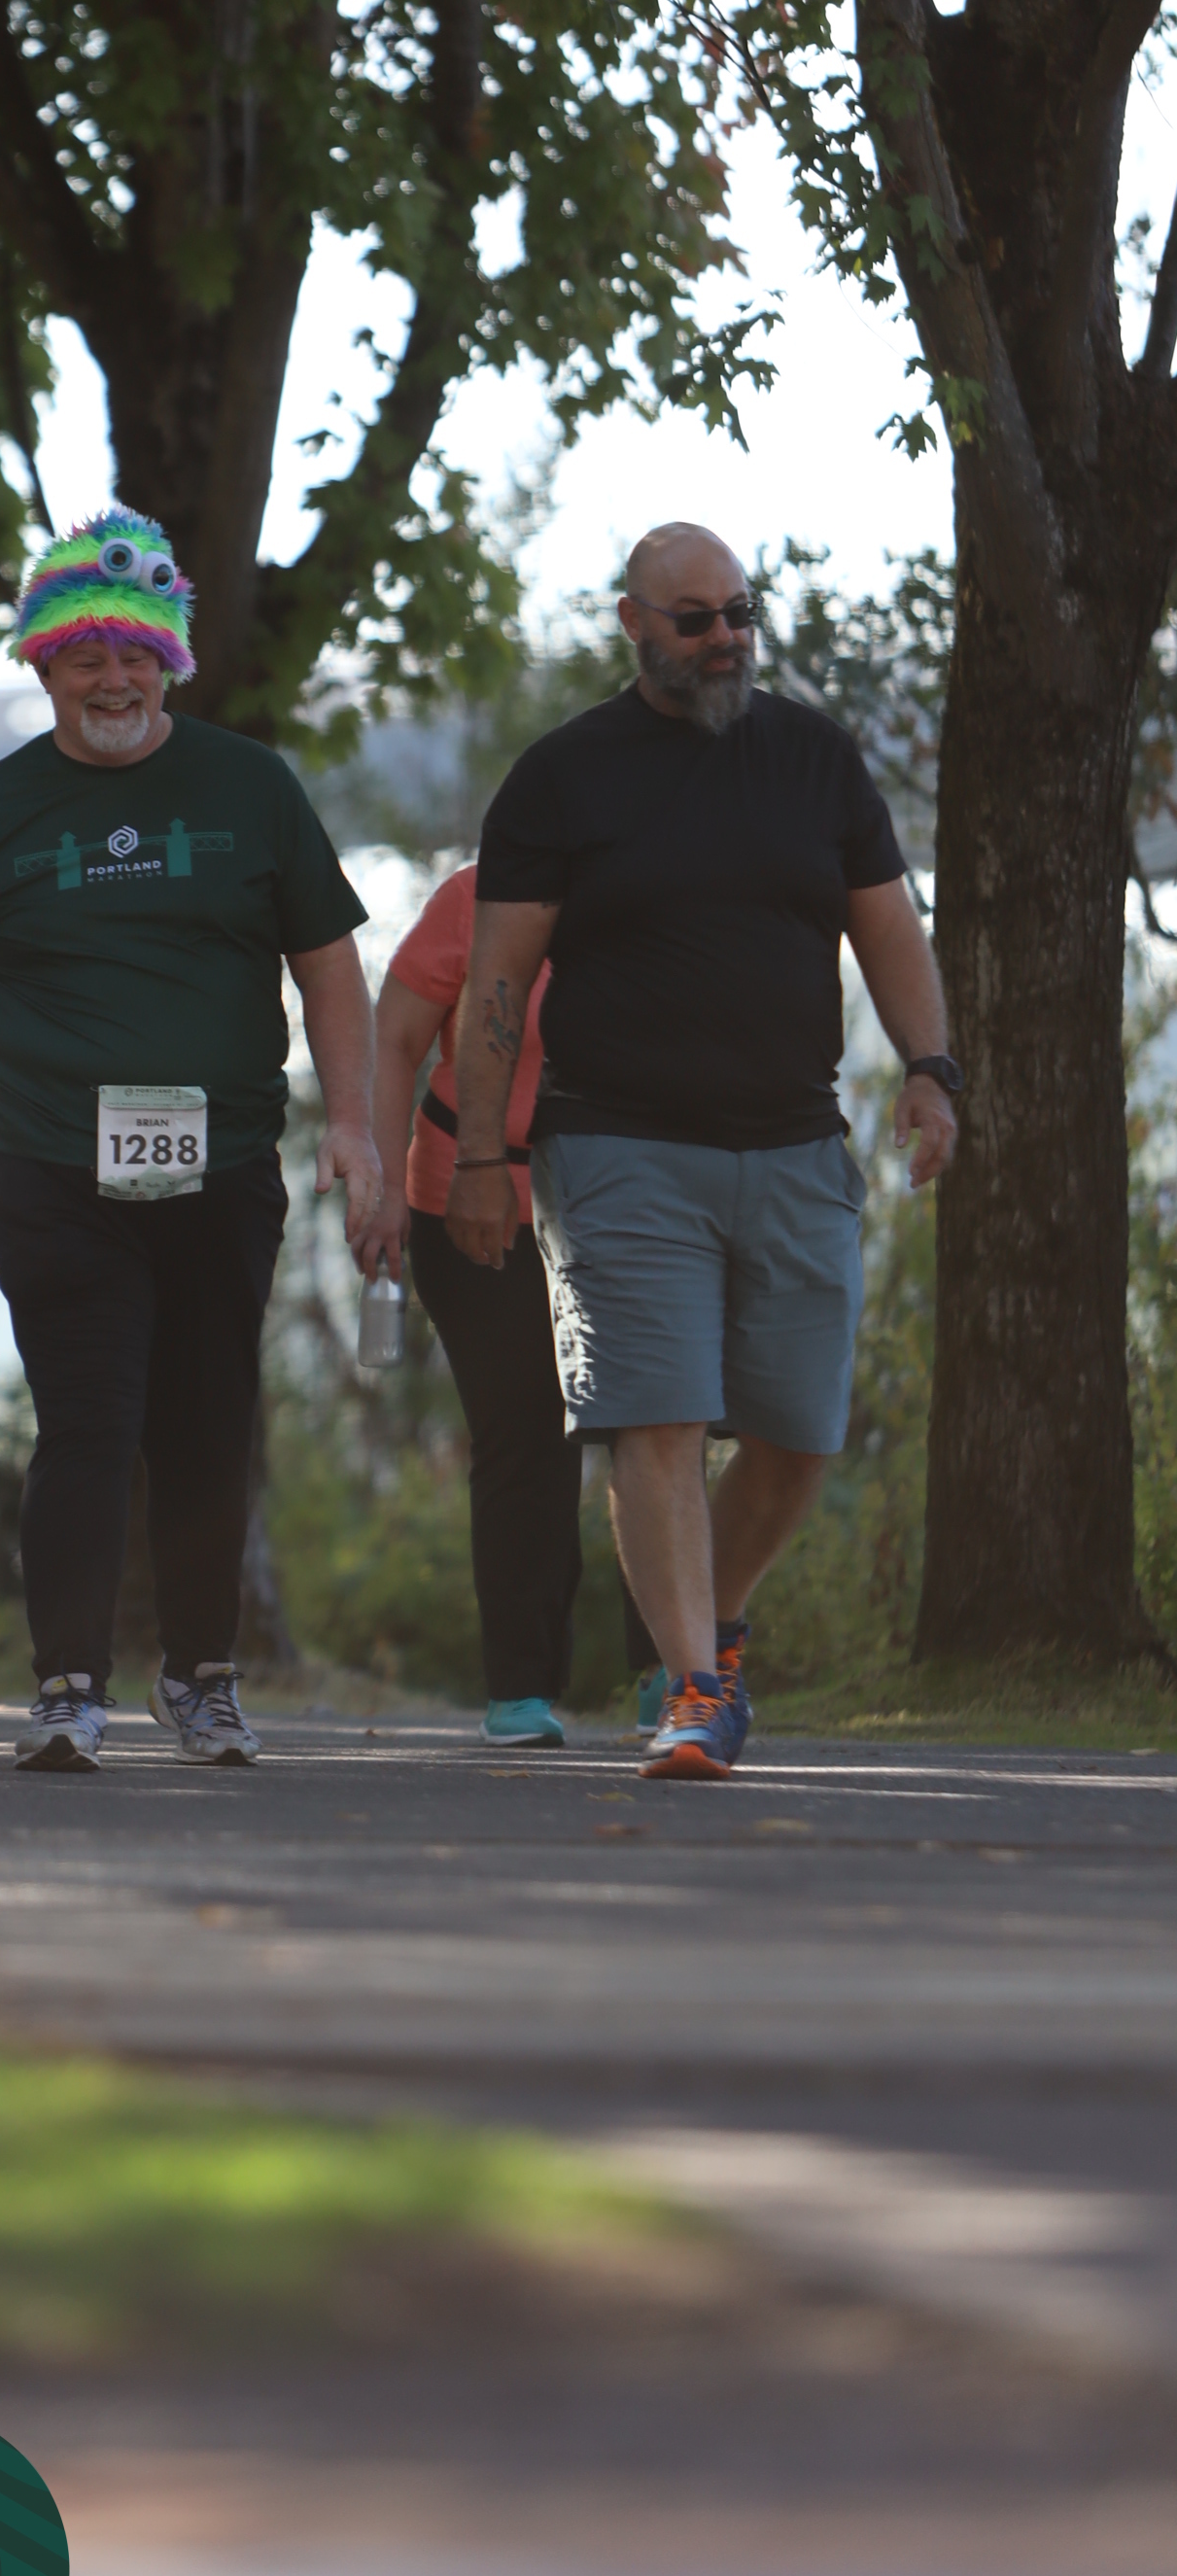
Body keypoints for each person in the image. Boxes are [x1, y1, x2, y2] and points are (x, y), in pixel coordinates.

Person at [0, 506, 382, 1772]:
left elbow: (328, 965)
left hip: (222, 1163)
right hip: (51, 1164)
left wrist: (357, 1129)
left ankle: (200, 1678)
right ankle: (67, 1688)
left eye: (138, 655)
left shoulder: (249, 788)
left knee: (205, 1425)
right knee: (88, 1420)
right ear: (44, 668)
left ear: (170, 665)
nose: (114, 680)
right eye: (86, 656)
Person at [451, 521, 958, 1780]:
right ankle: (688, 1689)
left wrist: (931, 1069)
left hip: (793, 1143)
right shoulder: (563, 776)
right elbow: (496, 982)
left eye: (741, 613)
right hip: (616, 1149)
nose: (726, 637)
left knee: (798, 1433)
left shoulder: (812, 758)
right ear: (634, 623)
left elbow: (887, 929)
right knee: (655, 1417)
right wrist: (479, 1159)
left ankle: (712, 1632)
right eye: (697, 620)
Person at [359, 862, 662, 1748]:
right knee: (525, 1434)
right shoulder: (475, 897)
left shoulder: (668, 891)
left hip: (632, 1201)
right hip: (472, 1200)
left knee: (655, 1427)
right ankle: (521, 1690)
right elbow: (393, 1040)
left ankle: (672, 1672)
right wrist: (380, 1187)